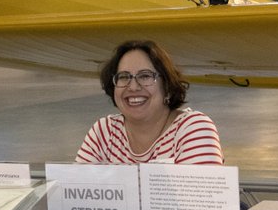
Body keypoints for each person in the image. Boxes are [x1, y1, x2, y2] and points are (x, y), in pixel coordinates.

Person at [76, 39, 222, 165]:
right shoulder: (104, 132)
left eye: (145, 76)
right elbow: (76, 192)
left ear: (166, 85)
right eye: (124, 77)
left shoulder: (193, 128)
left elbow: (197, 197)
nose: (133, 87)